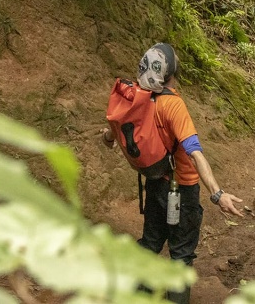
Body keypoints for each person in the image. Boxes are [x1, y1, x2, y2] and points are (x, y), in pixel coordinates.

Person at [102, 42, 244, 304]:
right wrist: (218, 194)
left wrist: (108, 137)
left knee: (150, 243)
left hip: (156, 182)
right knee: (180, 256)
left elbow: (115, 129)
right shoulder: (172, 105)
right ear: (171, 73)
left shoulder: (139, 98)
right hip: (184, 189)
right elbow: (194, 150)